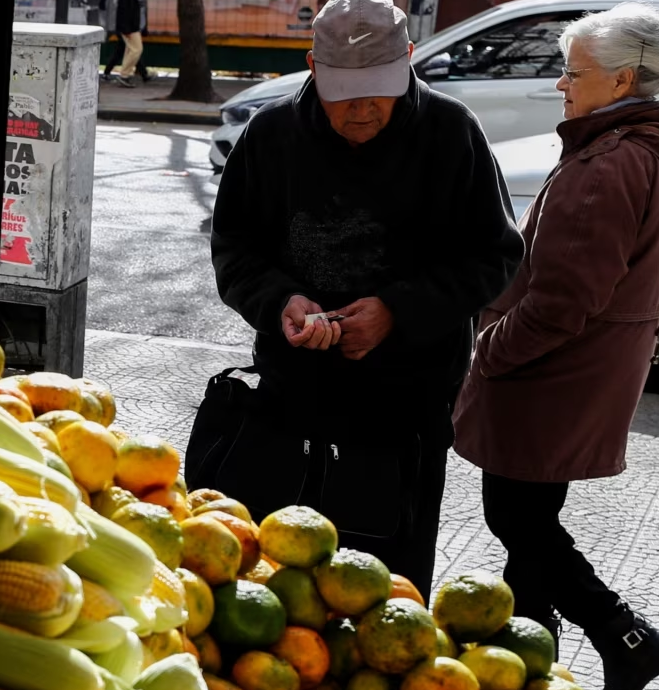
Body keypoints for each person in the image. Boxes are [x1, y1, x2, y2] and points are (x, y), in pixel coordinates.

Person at [206, 0, 523, 595]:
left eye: (378, 89)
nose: (363, 108)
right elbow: (234, 250)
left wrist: (398, 312)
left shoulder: (452, 132)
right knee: (279, 581)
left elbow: (496, 254)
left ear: (407, 61)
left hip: (407, 405)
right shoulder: (270, 135)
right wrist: (281, 304)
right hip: (290, 394)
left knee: (389, 587)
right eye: (345, 90)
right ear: (312, 67)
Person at [451, 4, 659, 687]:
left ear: (624, 81)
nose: (562, 85)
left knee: (517, 517)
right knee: (533, 515)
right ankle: (530, 646)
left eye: (574, 73)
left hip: (549, 376)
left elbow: (562, 302)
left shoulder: (609, 165)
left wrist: (491, 351)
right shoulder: (642, 149)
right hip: (589, 372)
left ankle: (624, 633)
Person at [111, 0, 146, 87]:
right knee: (137, 50)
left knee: (130, 50)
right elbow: (124, 13)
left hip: (130, 27)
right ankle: (125, 74)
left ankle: (125, 74)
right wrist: (126, 29)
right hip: (130, 28)